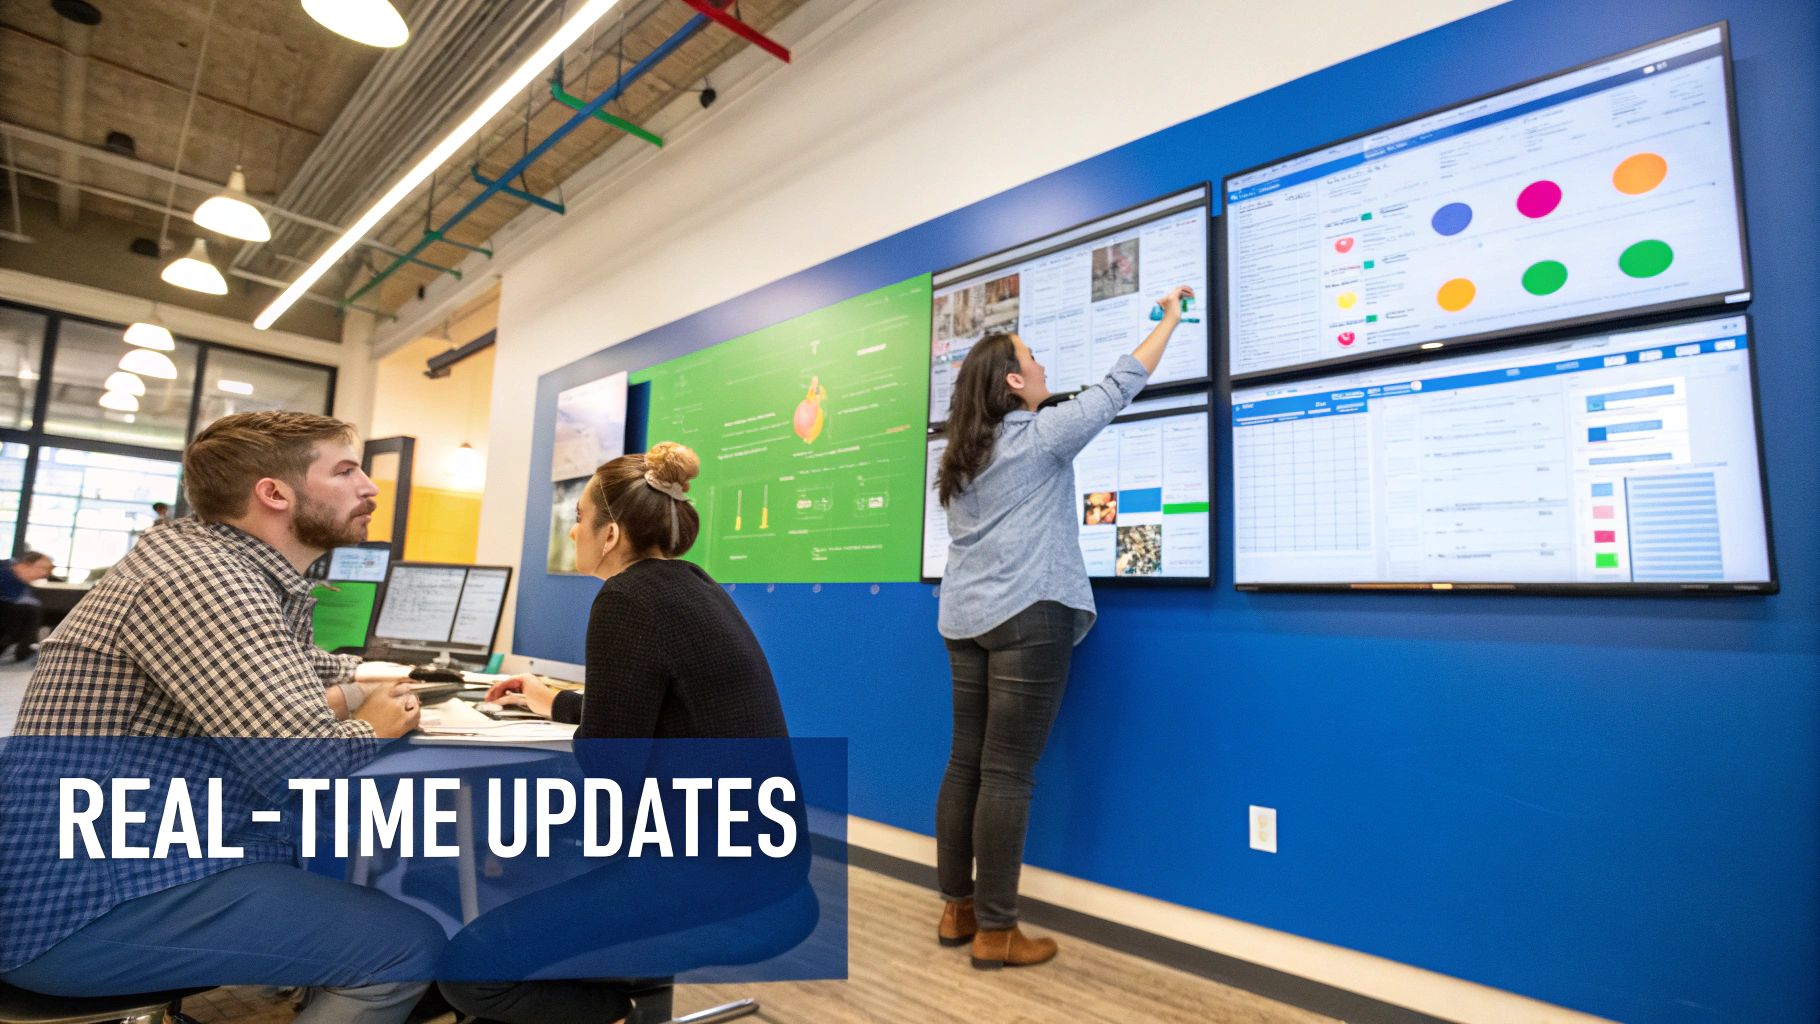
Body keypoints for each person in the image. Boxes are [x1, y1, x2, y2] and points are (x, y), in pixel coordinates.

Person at [0, 411, 441, 1024]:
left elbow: (294, 679)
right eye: (345, 470)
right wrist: (375, 724)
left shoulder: (220, 568)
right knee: (404, 947)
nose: (369, 487)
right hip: (82, 906)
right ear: (275, 492)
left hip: (113, 869)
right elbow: (302, 763)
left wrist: (350, 696)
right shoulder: (204, 579)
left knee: (354, 879)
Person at [440, 442, 796, 1023]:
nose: (573, 529)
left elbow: (609, 769)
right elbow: (653, 712)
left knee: (471, 972)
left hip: (710, 876)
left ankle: (617, 1011)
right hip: (762, 862)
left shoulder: (624, 599)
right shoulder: (692, 585)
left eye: (579, 517)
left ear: (609, 535)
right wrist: (555, 700)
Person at [933, 285, 1194, 970]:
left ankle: (957, 909)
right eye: (1034, 359)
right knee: (1007, 773)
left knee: (966, 764)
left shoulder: (959, 458)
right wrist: (1169, 320)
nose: (1044, 369)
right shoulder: (1043, 433)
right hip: (1028, 616)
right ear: (1015, 381)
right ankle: (996, 930)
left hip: (963, 620)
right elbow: (1120, 384)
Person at [0, 551, 52, 661]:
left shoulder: (22, 586)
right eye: (42, 568)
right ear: (25, 565)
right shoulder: (4, 571)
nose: (44, 574)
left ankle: (24, 651)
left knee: (32, 609)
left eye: (48, 570)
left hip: (11, 612)